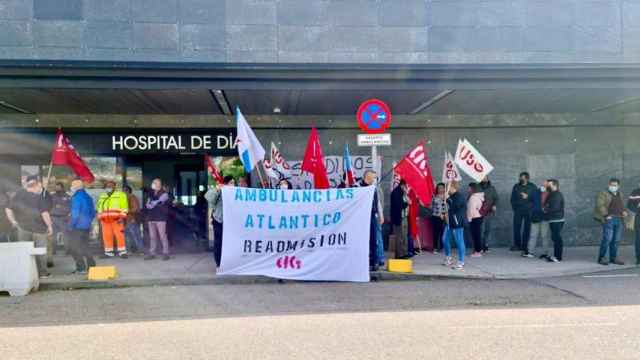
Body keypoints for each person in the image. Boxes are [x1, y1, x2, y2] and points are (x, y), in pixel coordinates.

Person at [5, 175, 54, 278]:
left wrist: (13, 221)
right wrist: (50, 226)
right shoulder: (39, 197)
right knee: (40, 251)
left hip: (23, 228)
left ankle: (25, 273)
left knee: (24, 251)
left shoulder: (18, 195)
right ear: (35, 186)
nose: (40, 190)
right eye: (39, 187)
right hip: (39, 230)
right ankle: (42, 273)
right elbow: (44, 213)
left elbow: (8, 209)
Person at [594, 178, 627, 265]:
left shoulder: (620, 194)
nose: (613, 187)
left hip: (619, 219)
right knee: (607, 239)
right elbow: (599, 205)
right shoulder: (603, 193)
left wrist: (624, 211)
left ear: (618, 186)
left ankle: (613, 258)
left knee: (616, 240)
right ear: (608, 184)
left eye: (615, 185)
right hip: (609, 219)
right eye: (611, 185)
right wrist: (606, 215)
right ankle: (602, 258)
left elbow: (621, 205)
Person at [67, 179, 97, 274]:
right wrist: (88, 222)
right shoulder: (88, 197)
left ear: (76, 187)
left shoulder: (76, 198)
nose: (71, 188)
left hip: (77, 226)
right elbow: (93, 212)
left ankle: (81, 268)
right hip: (86, 226)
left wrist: (70, 225)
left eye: (72, 186)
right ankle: (91, 265)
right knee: (85, 246)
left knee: (73, 247)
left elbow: (75, 215)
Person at [205, 175, 235, 267]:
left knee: (229, 242)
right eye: (231, 183)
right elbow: (208, 197)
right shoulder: (220, 190)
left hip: (230, 222)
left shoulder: (235, 192)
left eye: (234, 183)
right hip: (219, 220)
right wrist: (217, 189)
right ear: (226, 184)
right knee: (219, 242)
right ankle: (219, 262)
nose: (233, 185)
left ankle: (227, 262)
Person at [96, 180, 128, 258]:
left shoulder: (121, 195)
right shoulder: (102, 196)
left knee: (120, 236)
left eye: (111, 185)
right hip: (105, 220)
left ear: (114, 186)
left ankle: (122, 252)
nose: (109, 187)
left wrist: (122, 217)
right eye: (107, 186)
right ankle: (108, 253)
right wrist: (99, 217)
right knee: (107, 236)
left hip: (117, 220)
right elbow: (99, 208)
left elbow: (125, 208)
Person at [359, 170, 383, 271]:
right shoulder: (358, 188)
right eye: (373, 178)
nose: (374, 180)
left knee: (374, 239)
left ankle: (375, 261)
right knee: (362, 240)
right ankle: (363, 261)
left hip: (372, 216)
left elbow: (376, 203)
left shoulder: (374, 189)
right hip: (361, 217)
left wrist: (379, 215)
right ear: (367, 177)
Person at [145, 178, 171, 261]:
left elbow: (157, 202)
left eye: (154, 183)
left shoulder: (164, 194)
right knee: (152, 237)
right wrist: (152, 204)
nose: (152, 184)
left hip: (160, 218)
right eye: (153, 182)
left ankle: (166, 253)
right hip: (151, 217)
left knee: (162, 236)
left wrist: (152, 203)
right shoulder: (151, 193)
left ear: (159, 184)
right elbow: (148, 205)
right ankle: (152, 253)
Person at [510, 172, 537, 252]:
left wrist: (527, 197)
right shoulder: (516, 186)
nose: (521, 179)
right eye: (520, 177)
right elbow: (512, 198)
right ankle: (517, 245)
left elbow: (536, 198)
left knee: (527, 229)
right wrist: (514, 208)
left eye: (523, 177)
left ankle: (525, 246)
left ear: (527, 178)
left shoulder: (532, 186)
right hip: (518, 210)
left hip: (528, 211)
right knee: (516, 228)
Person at [442, 181, 466, 270]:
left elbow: (455, 207)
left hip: (457, 222)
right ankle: (448, 258)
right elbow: (447, 208)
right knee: (444, 239)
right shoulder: (450, 196)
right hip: (449, 222)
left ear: (453, 187)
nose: (446, 189)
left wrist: (448, 199)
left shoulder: (459, 196)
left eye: (448, 187)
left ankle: (461, 261)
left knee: (459, 241)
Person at [524, 180, 550, 259]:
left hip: (545, 217)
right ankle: (530, 252)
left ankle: (545, 253)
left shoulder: (551, 193)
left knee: (544, 236)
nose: (545, 184)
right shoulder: (536, 191)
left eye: (547, 183)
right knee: (533, 235)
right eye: (544, 182)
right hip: (535, 216)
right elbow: (529, 199)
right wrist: (526, 197)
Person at [543, 179, 565, 263]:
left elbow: (554, 207)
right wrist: (545, 208)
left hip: (557, 220)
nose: (547, 186)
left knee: (557, 238)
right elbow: (546, 204)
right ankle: (556, 256)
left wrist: (546, 209)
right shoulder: (552, 194)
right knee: (555, 238)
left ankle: (558, 257)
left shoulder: (557, 195)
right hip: (553, 219)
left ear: (554, 185)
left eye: (549, 184)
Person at [50, 182, 71, 256]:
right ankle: (53, 250)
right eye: (56, 187)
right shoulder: (51, 196)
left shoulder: (67, 196)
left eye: (59, 187)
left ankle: (67, 250)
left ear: (62, 188)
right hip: (53, 217)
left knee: (66, 235)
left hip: (63, 218)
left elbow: (70, 207)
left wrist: (61, 207)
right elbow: (47, 206)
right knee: (52, 235)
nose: (57, 188)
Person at [390, 180, 409, 259]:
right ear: (402, 185)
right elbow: (399, 205)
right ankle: (399, 254)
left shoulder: (404, 193)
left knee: (404, 236)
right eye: (406, 186)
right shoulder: (396, 192)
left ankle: (404, 252)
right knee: (399, 236)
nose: (407, 188)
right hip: (398, 218)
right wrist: (407, 203)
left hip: (404, 217)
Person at [479, 176, 498, 253]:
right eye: (482, 177)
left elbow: (496, 198)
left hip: (489, 212)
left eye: (485, 177)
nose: (483, 179)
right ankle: (479, 246)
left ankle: (485, 245)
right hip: (479, 212)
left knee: (487, 229)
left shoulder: (492, 188)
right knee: (480, 230)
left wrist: (494, 205)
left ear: (487, 179)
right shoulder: (477, 187)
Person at [123, 185, 144, 254]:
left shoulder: (131, 198)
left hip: (132, 219)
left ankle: (139, 250)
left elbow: (134, 209)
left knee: (134, 235)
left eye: (124, 190)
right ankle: (134, 250)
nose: (123, 192)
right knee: (131, 235)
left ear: (128, 191)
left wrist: (125, 210)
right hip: (129, 219)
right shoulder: (128, 198)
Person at [467, 183, 485, 258]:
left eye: (469, 188)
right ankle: (479, 249)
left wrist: (469, 219)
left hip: (474, 218)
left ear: (472, 188)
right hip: (479, 217)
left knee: (476, 235)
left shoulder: (473, 197)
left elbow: (471, 210)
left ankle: (477, 252)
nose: (468, 189)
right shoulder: (479, 196)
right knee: (478, 234)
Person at [430, 183, 447, 254]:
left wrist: (445, 214)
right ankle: (435, 248)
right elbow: (431, 207)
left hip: (444, 217)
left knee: (443, 232)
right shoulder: (434, 196)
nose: (440, 189)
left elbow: (448, 206)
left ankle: (442, 247)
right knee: (436, 233)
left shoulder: (447, 196)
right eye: (439, 188)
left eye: (442, 188)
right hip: (436, 217)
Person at [628, 183, 640, 265]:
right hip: (639, 217)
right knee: (639, 238)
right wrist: (637, 207)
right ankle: (639, 258)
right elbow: (629, 205)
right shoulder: (635, 192)